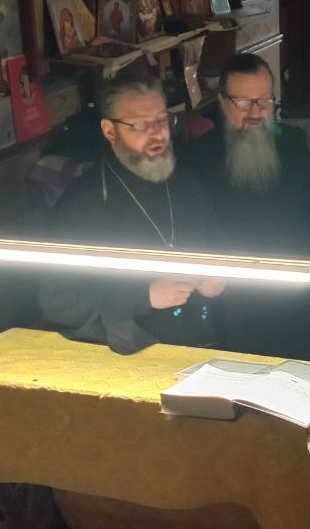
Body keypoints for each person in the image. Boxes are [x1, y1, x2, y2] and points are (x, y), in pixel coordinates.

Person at [39, 76, 224, 354]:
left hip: (198, 344)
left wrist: (218, 279)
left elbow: (220, 252)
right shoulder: (83, 204)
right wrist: (144, 296)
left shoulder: (187, 185)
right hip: (123, 357)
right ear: (109, 130)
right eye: (140, 125)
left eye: (162, 121)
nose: (158, 134)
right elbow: (58, 303)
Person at [183, 53, 310, 358]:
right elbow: (193, 236)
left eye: (264, 101)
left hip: (292, 303)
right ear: (223, 102)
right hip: (230, 308)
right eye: (244, 103)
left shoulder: (294, 144)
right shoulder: (198, 158)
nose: (256, 113)